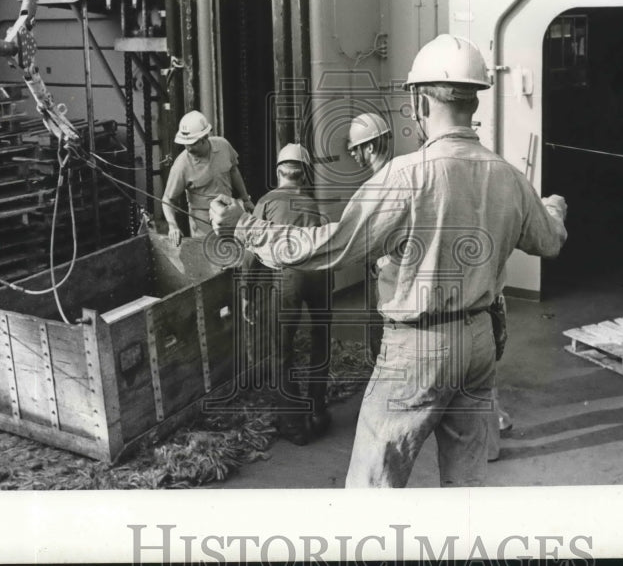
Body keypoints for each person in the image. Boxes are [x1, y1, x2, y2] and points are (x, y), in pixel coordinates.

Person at [211, 34, 568, 488]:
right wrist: (553, 206)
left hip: (419, 348)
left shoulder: (406, 176)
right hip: (479, 341)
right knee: (467, 488)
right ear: (474, 101)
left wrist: (246, 226)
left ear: (419, 102)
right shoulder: (508, 175)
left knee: (372, 488)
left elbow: (330, 248)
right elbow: (550, 241)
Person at [240, 143, 331, 446]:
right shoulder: (314, 205)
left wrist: (246, 292)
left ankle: (294, 426)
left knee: (282, 351)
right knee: (321, 341)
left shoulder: (266, 202)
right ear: (303, 175)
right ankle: (318, 412)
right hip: (320, 275)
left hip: (289, 276)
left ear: (279, 172)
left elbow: (252, 251)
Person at [162, 109, 252, 241]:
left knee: (236, 252)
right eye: (185, 144)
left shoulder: (223, 146)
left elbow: (234, 171)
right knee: (208, 257)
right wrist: (172, 226)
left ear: (204, 138)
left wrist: (245, 199)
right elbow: (167, 199)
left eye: (192, 143)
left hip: (230, 212)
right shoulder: (181, 165)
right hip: (202, 222)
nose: (188, 148)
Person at [346, 112, 394, 362]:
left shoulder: (376, 188)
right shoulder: (404, 175)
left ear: (371, 147)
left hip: (385, 275)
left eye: (355, 149)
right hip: (398, 274)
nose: (352, 155)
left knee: (381, 342)